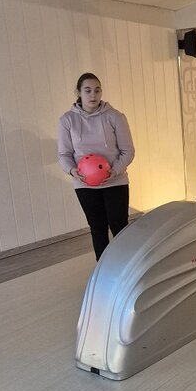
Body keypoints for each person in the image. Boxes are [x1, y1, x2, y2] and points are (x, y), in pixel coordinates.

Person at [58, 72, 135, 260]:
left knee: (119, 227)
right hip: (84, 184)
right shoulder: (66, 120)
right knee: (97, 228)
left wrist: (115, 170)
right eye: (88, 90)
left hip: (115, 181)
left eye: (97, 90)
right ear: (78, 92)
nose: (93, 95)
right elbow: (64, 155)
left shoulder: (115, 116)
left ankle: (124, 267)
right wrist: (72, 170)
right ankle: (103, 270)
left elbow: (128, 151)